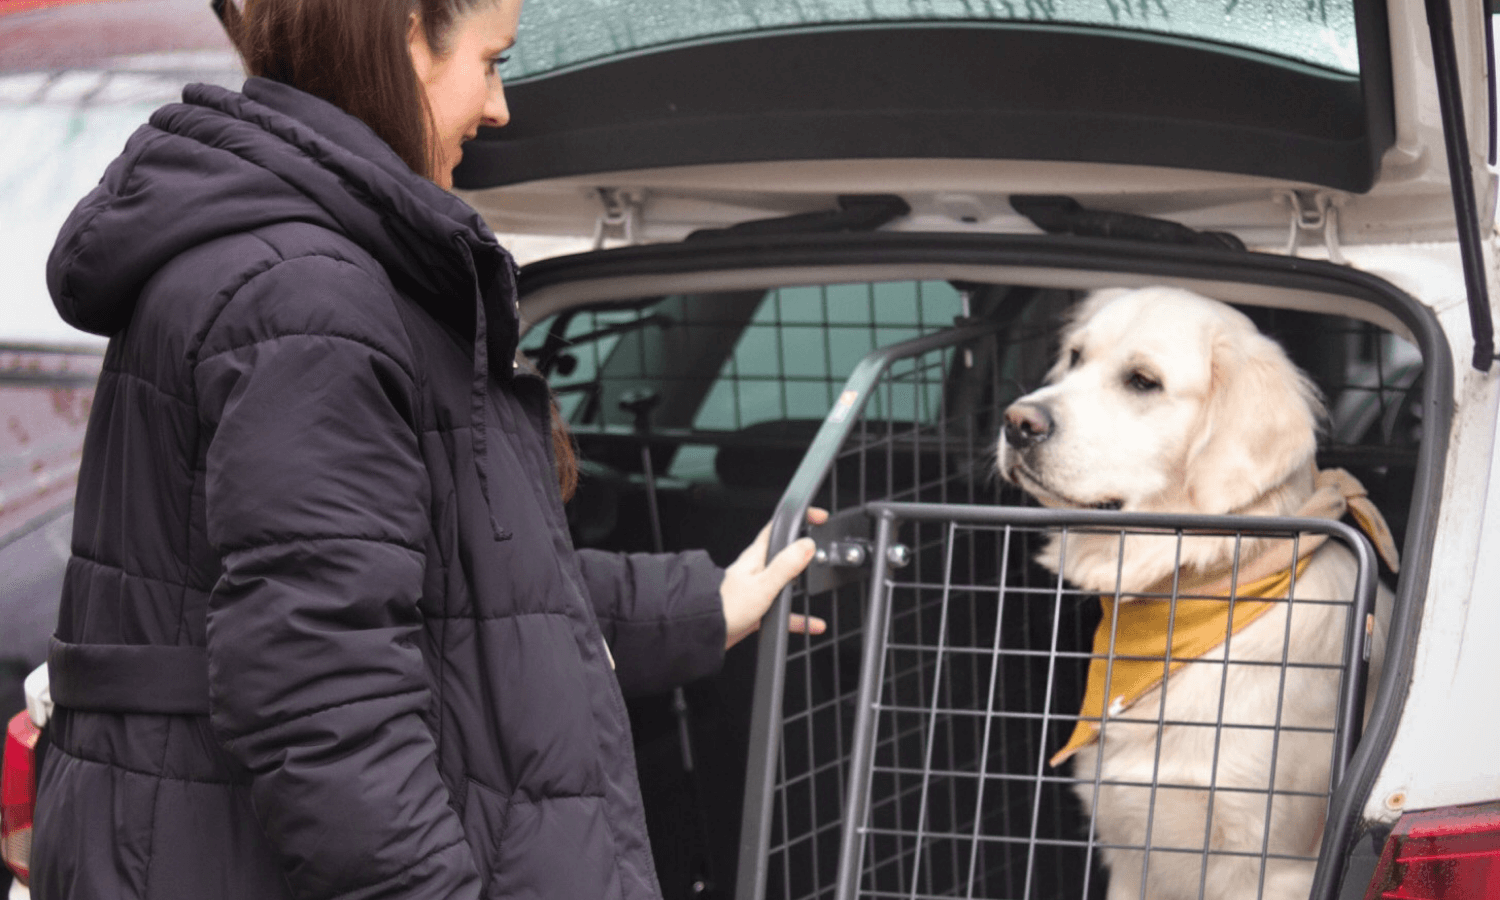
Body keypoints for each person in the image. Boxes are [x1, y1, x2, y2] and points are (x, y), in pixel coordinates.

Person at [30, 0, 825, 897]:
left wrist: (704, 601)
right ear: (411, 32)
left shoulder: (294, 267)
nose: (500, 109)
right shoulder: (307, 300)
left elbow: (457, 587)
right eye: (493, 62)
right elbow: (325, 700)